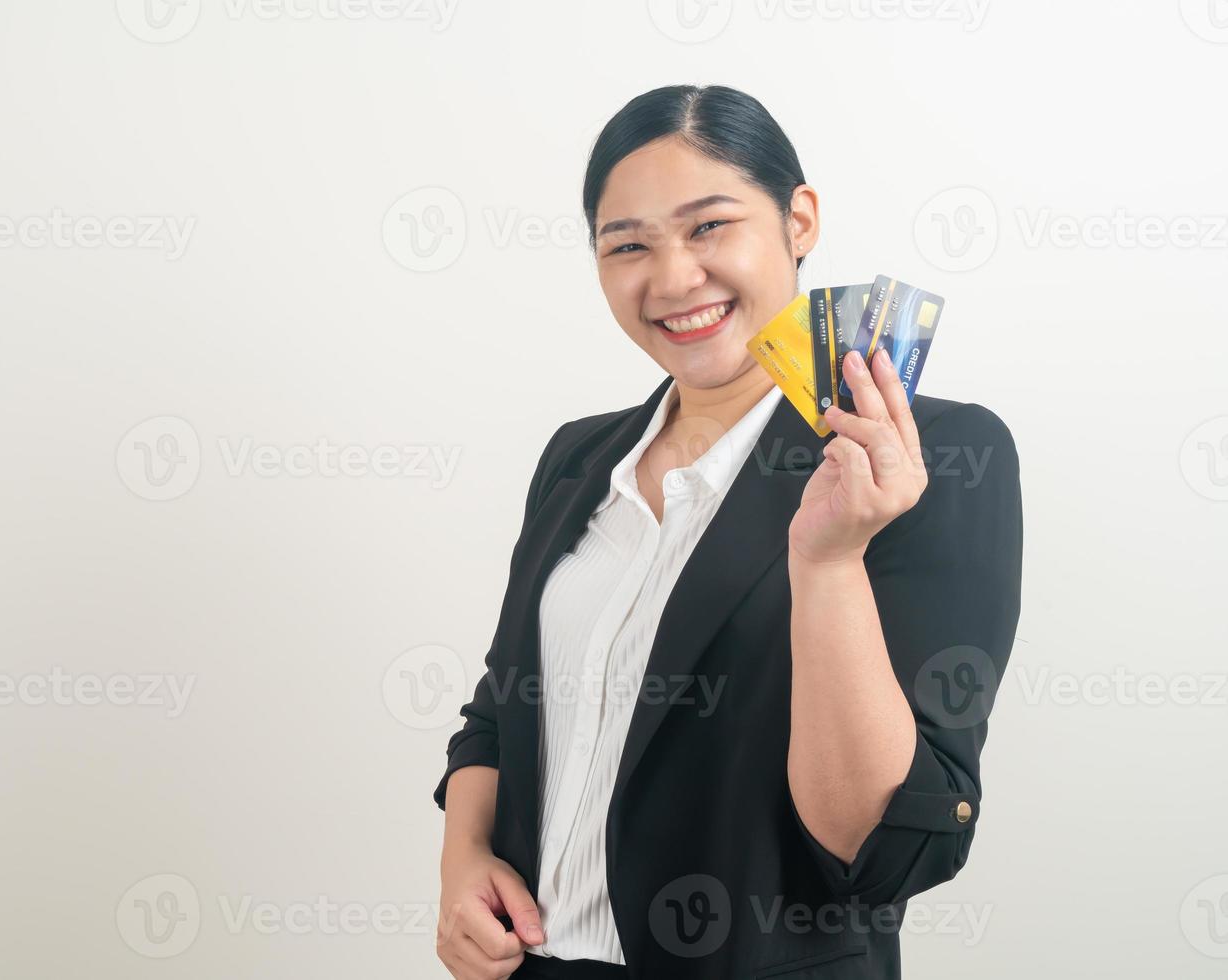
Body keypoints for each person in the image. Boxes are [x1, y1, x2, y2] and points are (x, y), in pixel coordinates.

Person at [432, 84, 1023, 980]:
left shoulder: (932, 455)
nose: (672, 280)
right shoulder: (576, 457)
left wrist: (829, 560)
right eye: (627, 244)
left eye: (710, 226)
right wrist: (462, 863)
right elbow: (498, 708)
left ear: (800, 221)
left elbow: (882, 845)